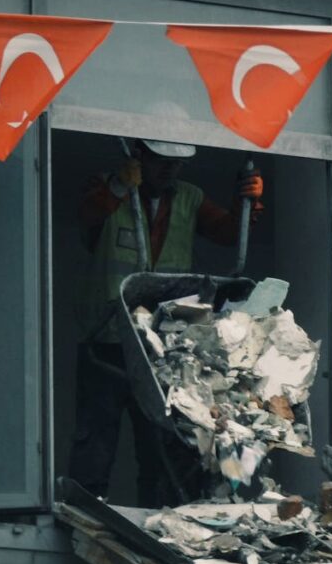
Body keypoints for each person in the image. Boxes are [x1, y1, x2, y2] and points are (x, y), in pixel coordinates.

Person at [68, 131, 263, 507]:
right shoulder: (107, 190)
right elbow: (88, 215)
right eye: (162, 161)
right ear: (140, 155)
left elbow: (226, 232)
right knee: (97, 434)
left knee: (159, 437)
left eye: (177, 163)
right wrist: (121, 185)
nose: (170, 170)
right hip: (106, 336)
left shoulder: (188, 197)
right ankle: (87, 507)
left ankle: (160, 515)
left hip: (162, 345)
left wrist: (247, 205)